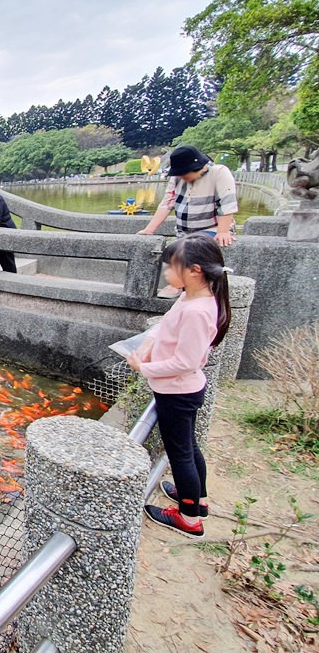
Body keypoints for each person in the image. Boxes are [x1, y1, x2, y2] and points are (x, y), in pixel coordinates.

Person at [126, 234, 231, 539]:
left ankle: (188, 519)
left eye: (172, 268)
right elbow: (166, 325)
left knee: (180, 453)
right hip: (181, 390)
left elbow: (185, 362)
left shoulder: (198, 311)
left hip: (178, 392)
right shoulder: (193, 296)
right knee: (188, 447)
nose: (168, 274)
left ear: (195, 270)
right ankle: (197, 500)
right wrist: (147, 344)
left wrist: (143, 367)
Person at [137, 145, 239, 298]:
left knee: (190, 250)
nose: (181, 177)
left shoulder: (219, 173)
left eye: (184, 174)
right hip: (184, 230)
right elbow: (167, 203)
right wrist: (149, 229)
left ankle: (178, 285)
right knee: (174, 250)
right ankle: (180, 284)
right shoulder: (176, 178)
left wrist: (223, 231)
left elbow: (227, 204)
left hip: (211, 227)